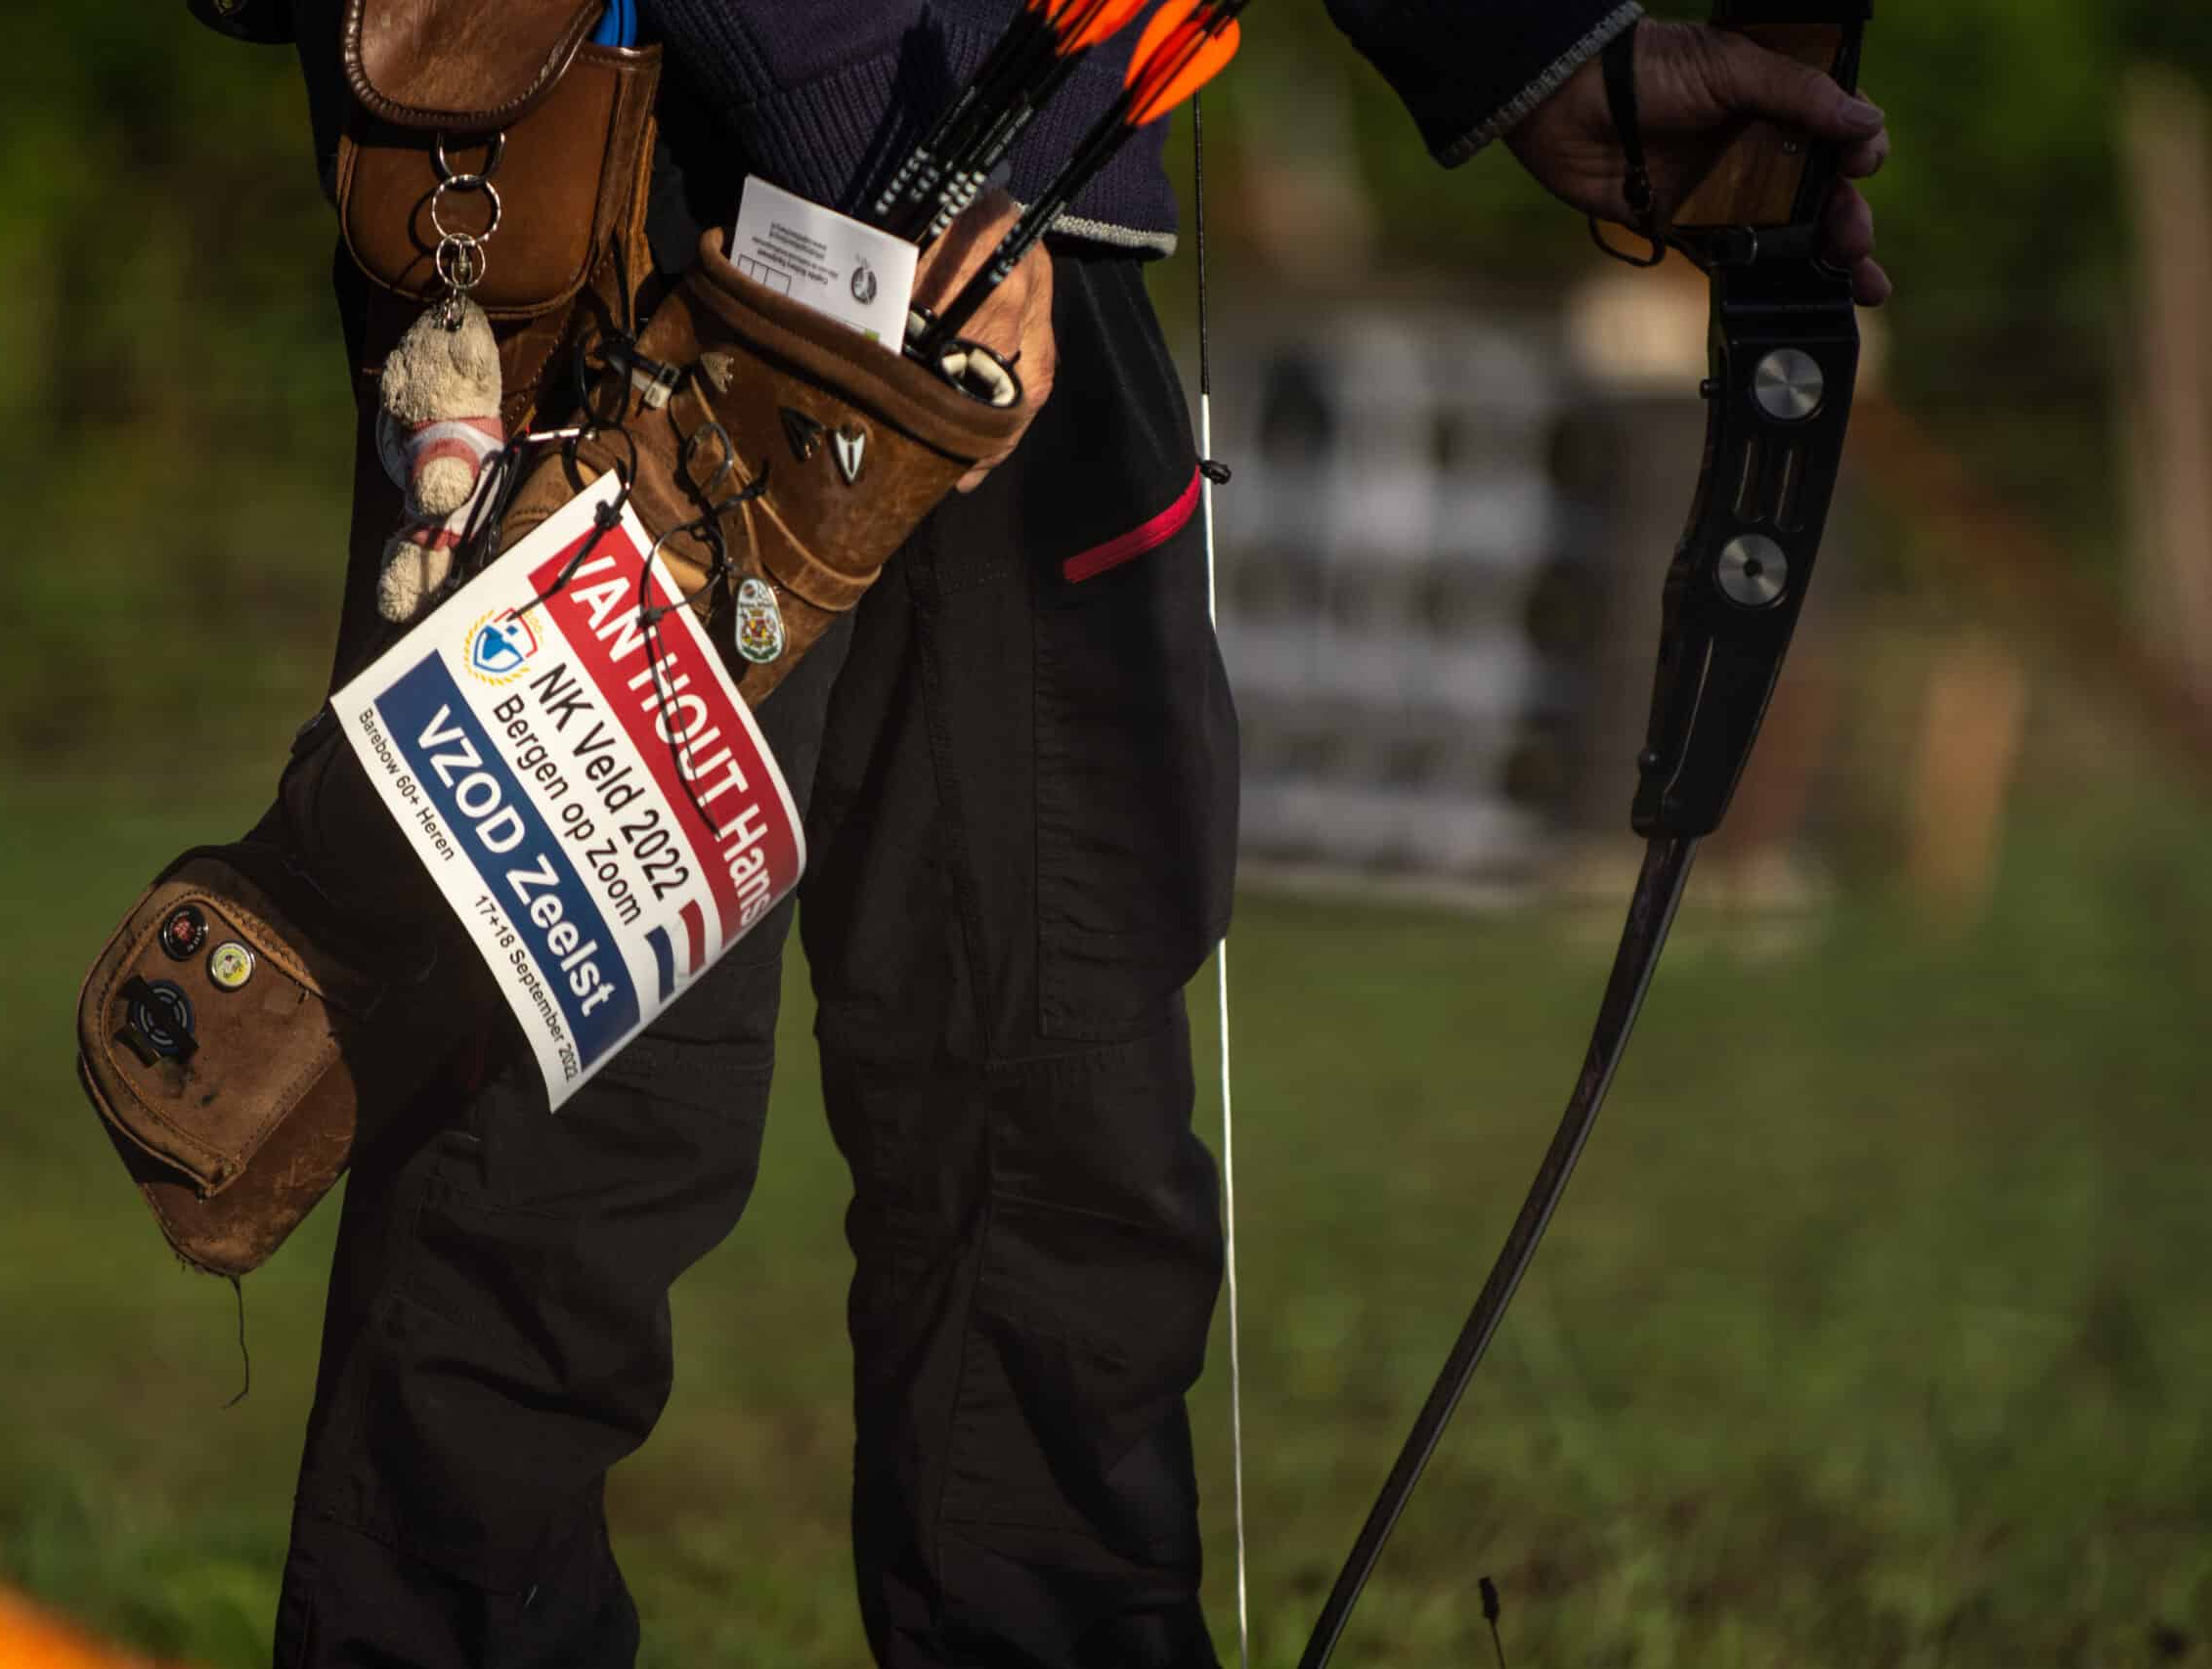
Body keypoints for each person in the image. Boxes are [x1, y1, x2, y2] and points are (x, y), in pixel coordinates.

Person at [204, 2, 1891, 1663]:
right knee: (564, 1149)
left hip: (1026, 230)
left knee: (1061, 1130)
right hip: (660, 207)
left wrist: (1544, 61)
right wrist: (874, 147)